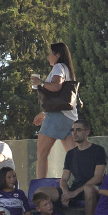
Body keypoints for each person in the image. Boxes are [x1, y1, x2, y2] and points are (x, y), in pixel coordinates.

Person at [32, 42, 79, 182]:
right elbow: (59, 100)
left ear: (57, 55)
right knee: (74, 156)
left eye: (50, 53)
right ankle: (83, 181)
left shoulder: (58, 67)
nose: (48, 57)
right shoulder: (67, 69)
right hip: (69, 117)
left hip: (57, 117)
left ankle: (40, 186)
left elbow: (56, 87)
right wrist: (44, 113)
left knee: (42, 154)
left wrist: (39, 83)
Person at [57, 120, 107, 215]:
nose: (74, 133)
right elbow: (64, 179)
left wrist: (75, 192)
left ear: (87, 132)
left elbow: (98, 178)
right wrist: (66, 192)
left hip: (93, 189)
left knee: (88, 190)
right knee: (42, 191)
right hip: (74, 188)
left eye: (78, 130)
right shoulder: (70, 154)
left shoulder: (98, 150)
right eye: (72, 130)